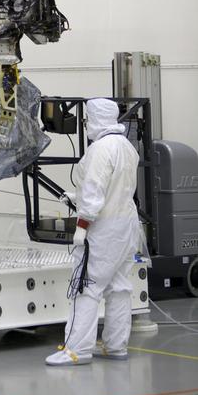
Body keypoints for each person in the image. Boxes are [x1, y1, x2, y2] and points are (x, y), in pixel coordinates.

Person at [45, 98, 141, 366]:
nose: (86, 124)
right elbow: (114, 189)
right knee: (119, 287)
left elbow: (95, 192)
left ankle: (76, 350)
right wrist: (76, 197)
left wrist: (82, 225)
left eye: (87, 119)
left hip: (104, 230)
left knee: (85, 287)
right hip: (127, 226)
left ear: (97, 119)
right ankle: (116, 346)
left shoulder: (100, 149)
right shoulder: (126, 147)